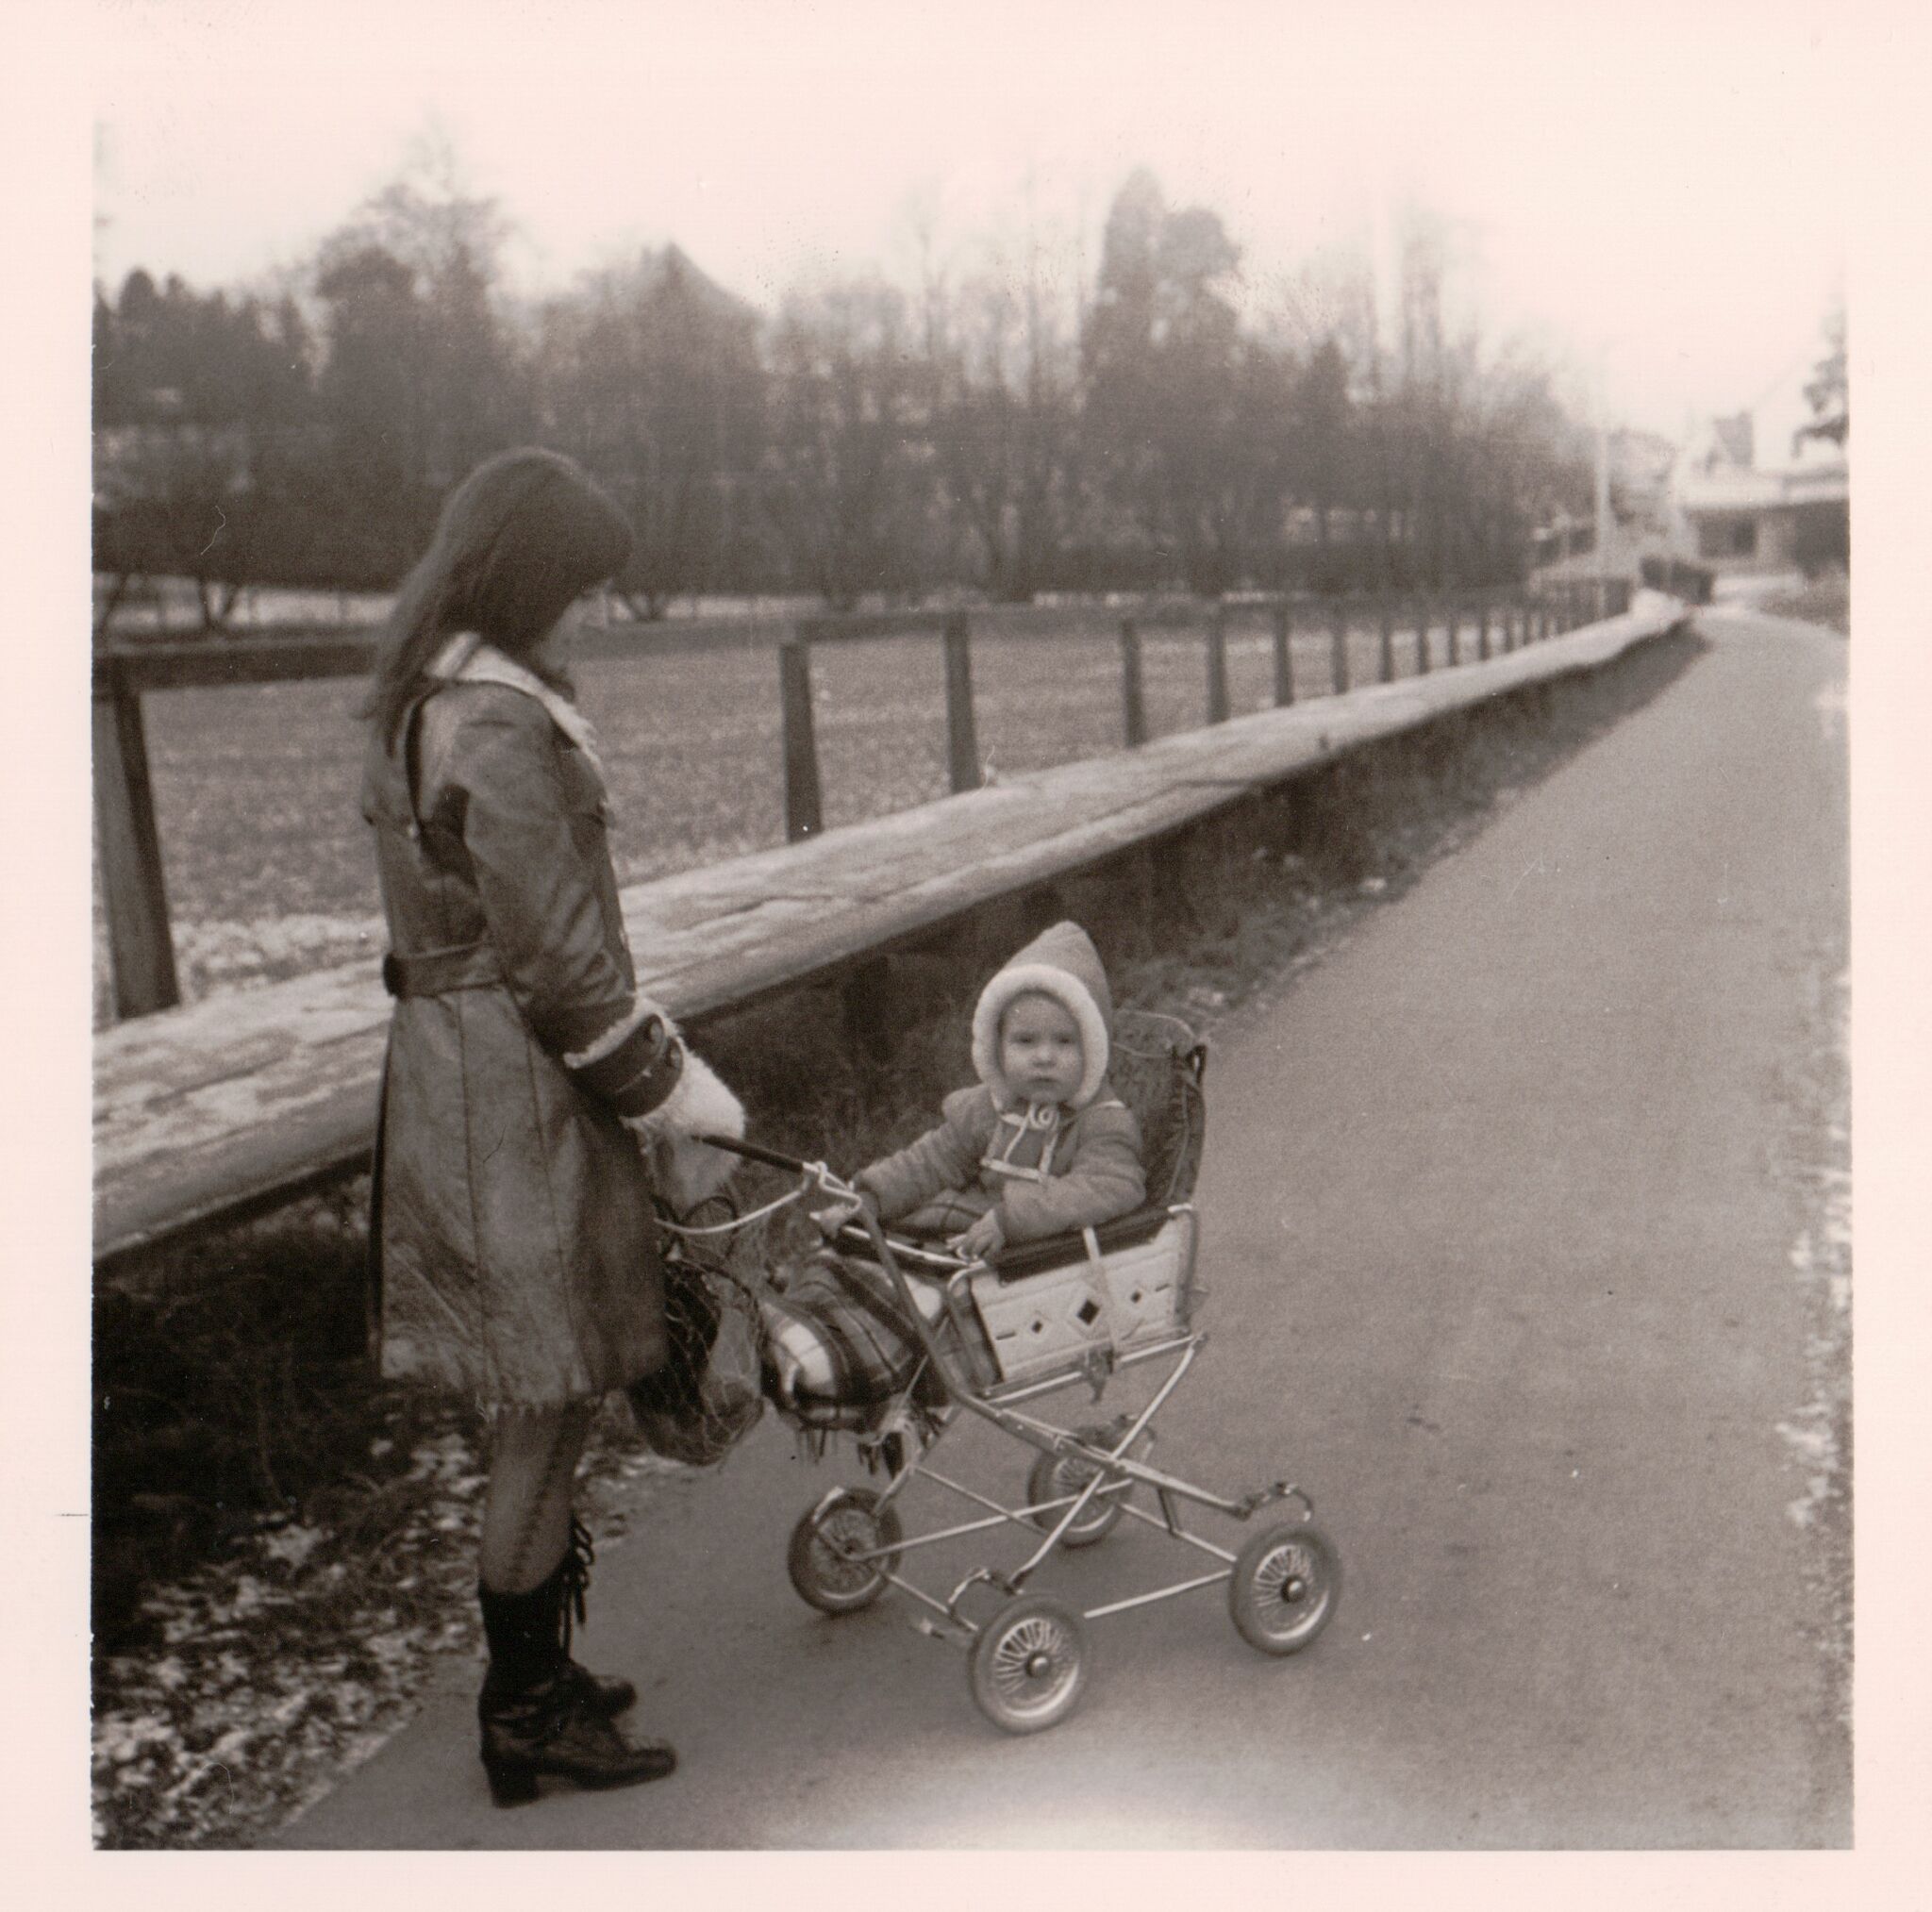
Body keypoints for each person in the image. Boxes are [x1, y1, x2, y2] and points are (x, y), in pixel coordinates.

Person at [359, 447, 742, 1807]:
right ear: (525, 581)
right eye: (579, 588)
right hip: (517, 1091)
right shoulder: (500, 726)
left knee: (550, 1389)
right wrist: (675, 1095)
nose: (592, 612)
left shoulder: (425, 699)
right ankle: (522, 1713)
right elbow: (562, 965)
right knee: (542, 1399)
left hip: (470, 1076)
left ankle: (539, 1677)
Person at [827, 919, 1146, 1255]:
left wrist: (1011, 1219)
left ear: (1092, 1050)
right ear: (998, 1048)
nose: (1044, 1057)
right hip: (971, 1239)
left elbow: (1111, 1186)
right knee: (860, 1253)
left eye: (1065, 1041)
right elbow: (930, 1161)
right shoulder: (987, 1109)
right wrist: (871, 1197)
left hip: (1044, 1257)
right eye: (1025, 1041)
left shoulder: (1101, 1122)